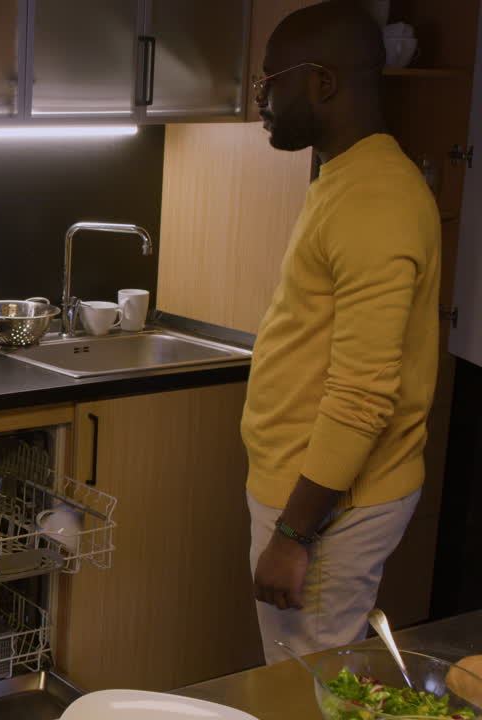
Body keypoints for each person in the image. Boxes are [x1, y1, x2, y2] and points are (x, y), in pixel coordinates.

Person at [243, 0, 441, 665]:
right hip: (313, 495)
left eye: (272, 79)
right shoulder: (349, 177)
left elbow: (362, 394)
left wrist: (294, 534)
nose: (262, 98)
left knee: (309, 689)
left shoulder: (375, 201)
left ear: (323, 82)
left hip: (328, 511)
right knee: (304, 681)